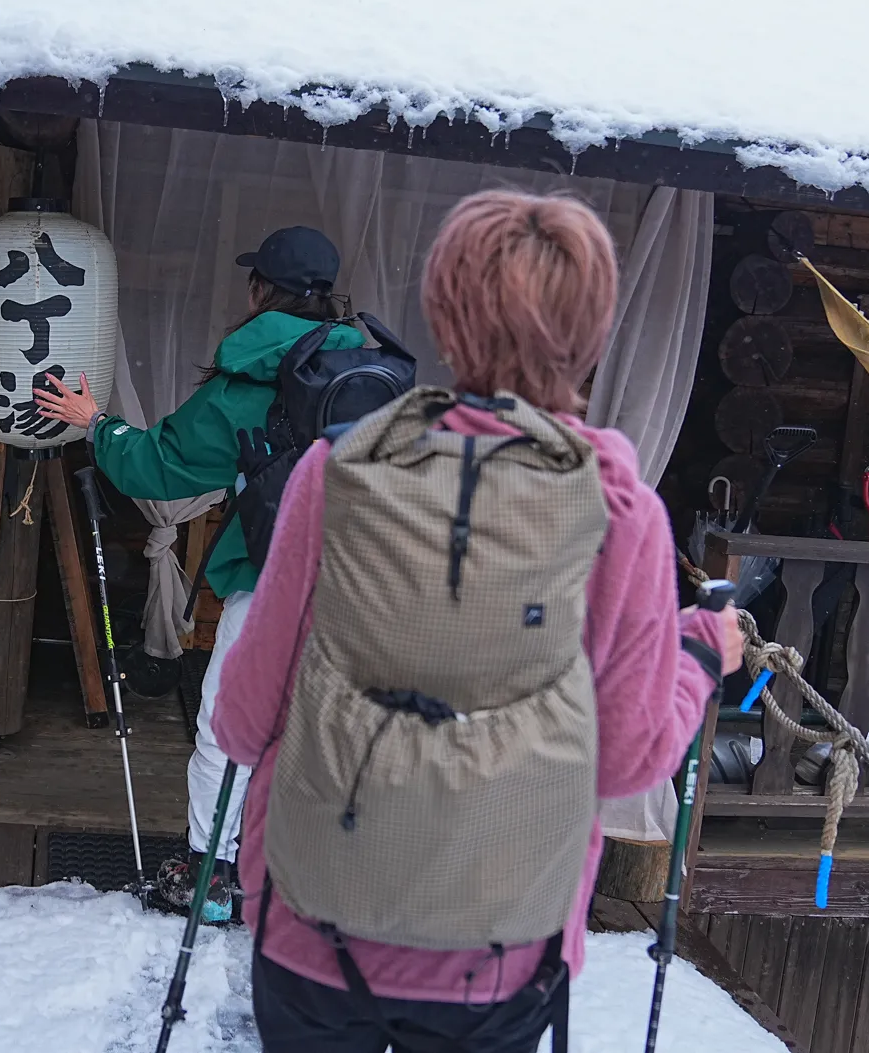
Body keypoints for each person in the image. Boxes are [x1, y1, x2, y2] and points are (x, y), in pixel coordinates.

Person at [209, 191, 743, 1051]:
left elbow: (242, 720)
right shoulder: (618, 511)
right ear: (595, 328)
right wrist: (702, 652)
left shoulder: (338, 470)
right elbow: (633, 756)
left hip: (313, 924)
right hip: (498, 944)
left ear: (446, 312)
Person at [34, 224, 364, 923]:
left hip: (278, 582)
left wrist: (97, 422)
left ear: (258, 290)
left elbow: (158, 463)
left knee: (227, 727)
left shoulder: (249, 383)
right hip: (369, 584)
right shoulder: (369, 376)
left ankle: (210, 879)